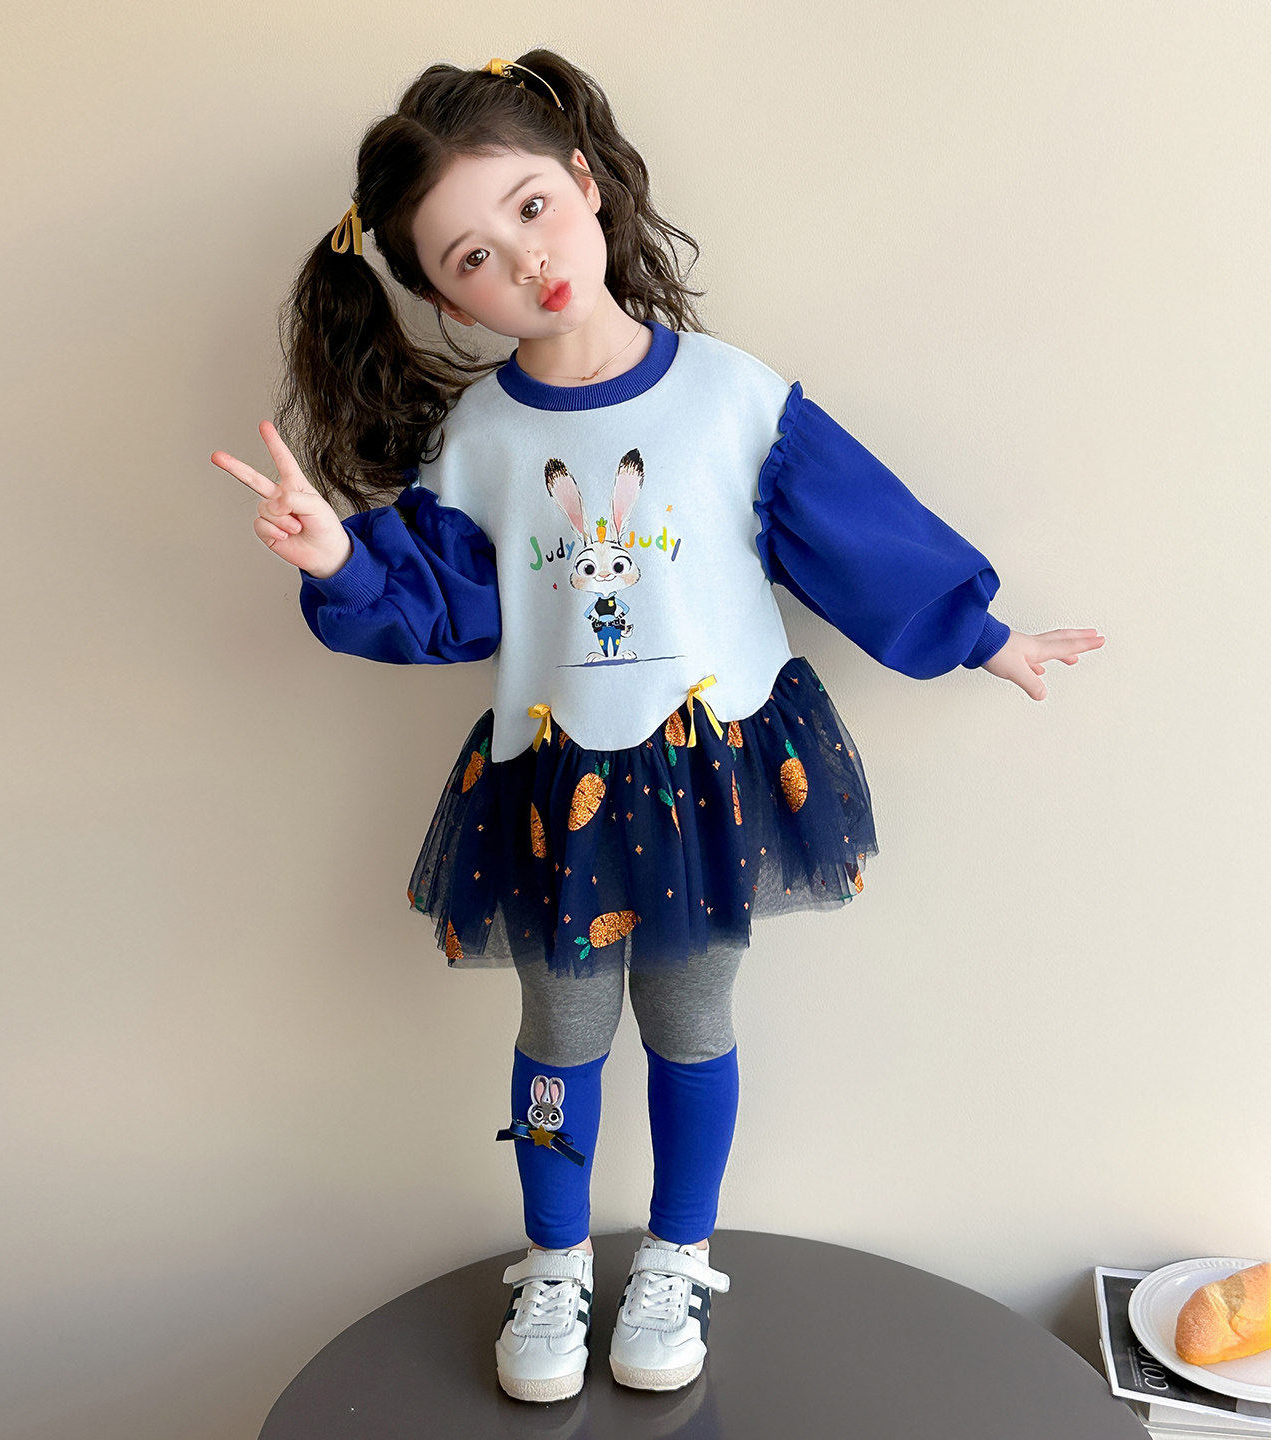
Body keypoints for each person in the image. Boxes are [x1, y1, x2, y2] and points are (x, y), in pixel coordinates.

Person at [210, 49, 1104, 1404]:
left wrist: (980, 635)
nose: (524, 261)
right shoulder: (479, 441)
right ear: (443, 297)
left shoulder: (735, 396)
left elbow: (853, 535)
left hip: (713, 779)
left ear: (583, 181)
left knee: (693, 1022)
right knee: (559, 1035)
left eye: (529, 208)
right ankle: (555, 1262)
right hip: (553, 786)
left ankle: (679, 1254)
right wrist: (338, 559)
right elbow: (446, 609)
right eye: (470, 258)